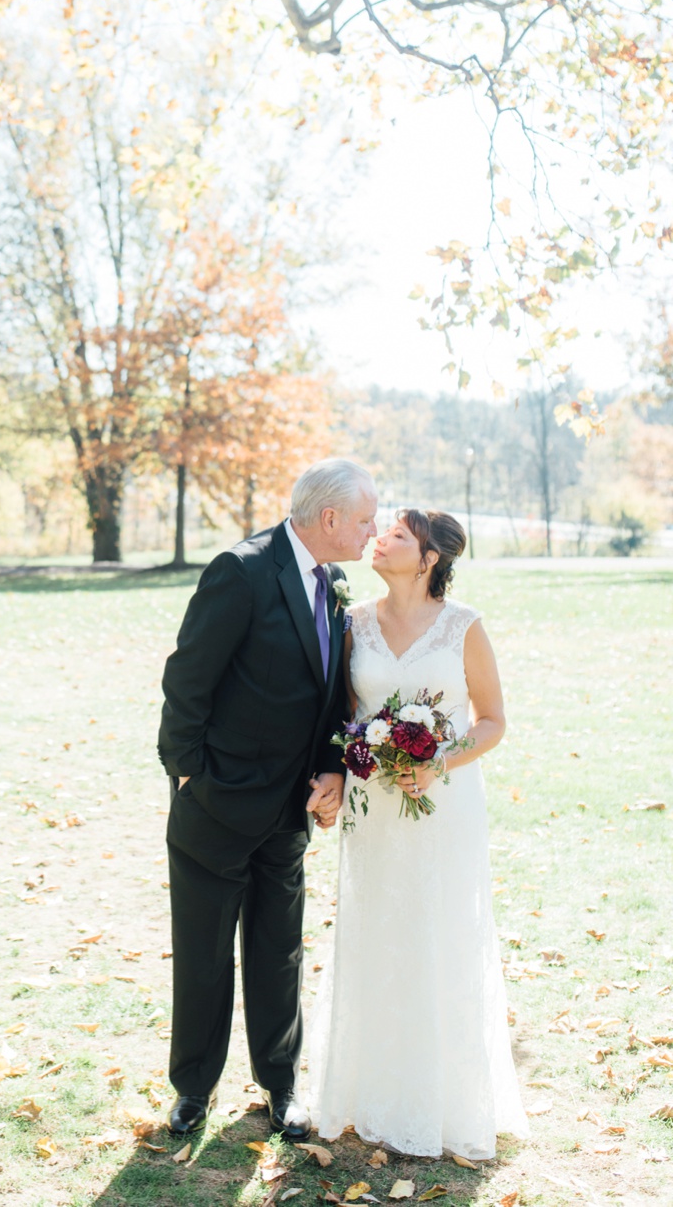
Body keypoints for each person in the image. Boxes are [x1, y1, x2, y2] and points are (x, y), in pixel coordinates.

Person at [156, 458, 377, 1142]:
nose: (374, 532)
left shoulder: (334, 584)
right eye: (366, 519)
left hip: (289, 814)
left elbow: (329, 696)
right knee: (202, 955)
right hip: (215, 808)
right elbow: (187, 679)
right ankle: (193, 1089)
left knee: (278, 952)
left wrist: (331, 767)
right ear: (331, 518)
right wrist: (188, 776)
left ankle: (280, 1088)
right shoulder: (241, 570)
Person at [302, 508, 524, 1157]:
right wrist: (342, 772)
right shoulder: (355, 624)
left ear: (429, 559)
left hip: (443, 809)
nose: (380, 539)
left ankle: (444, 1102)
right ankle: (368, 1090)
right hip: (374, 810)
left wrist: (437, 763)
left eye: (398, 535)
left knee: (439, 937)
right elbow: (342, 716)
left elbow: (492, 721)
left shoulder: (464, 627)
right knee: (376, 935)